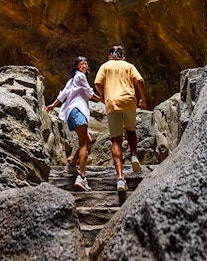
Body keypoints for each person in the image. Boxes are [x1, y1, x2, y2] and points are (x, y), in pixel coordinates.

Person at [94, 45, 147, 192]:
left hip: (112, 104)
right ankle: (134, 155)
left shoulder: (105, 66)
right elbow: (140, 81)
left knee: (116, 140)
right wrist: (143, 99)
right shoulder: (129, 66)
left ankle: (120, 178)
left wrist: (104, 94)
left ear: (110, 56)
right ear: (123, 56)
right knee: (131, 130)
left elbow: (97, 83)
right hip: (129, 102)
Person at [46, 56, 101, 191]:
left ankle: (72, 163)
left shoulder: (72, 80)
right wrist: (101, 99)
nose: (84, 65)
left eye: (86, 63)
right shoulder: (80, 77)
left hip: (71, 112)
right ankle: (82, 177)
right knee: (83, 143)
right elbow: (88, 92)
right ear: (76, 66)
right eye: (81, 63)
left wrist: (53, 105)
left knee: (88, 141)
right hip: (78, 110)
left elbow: (63, 93)